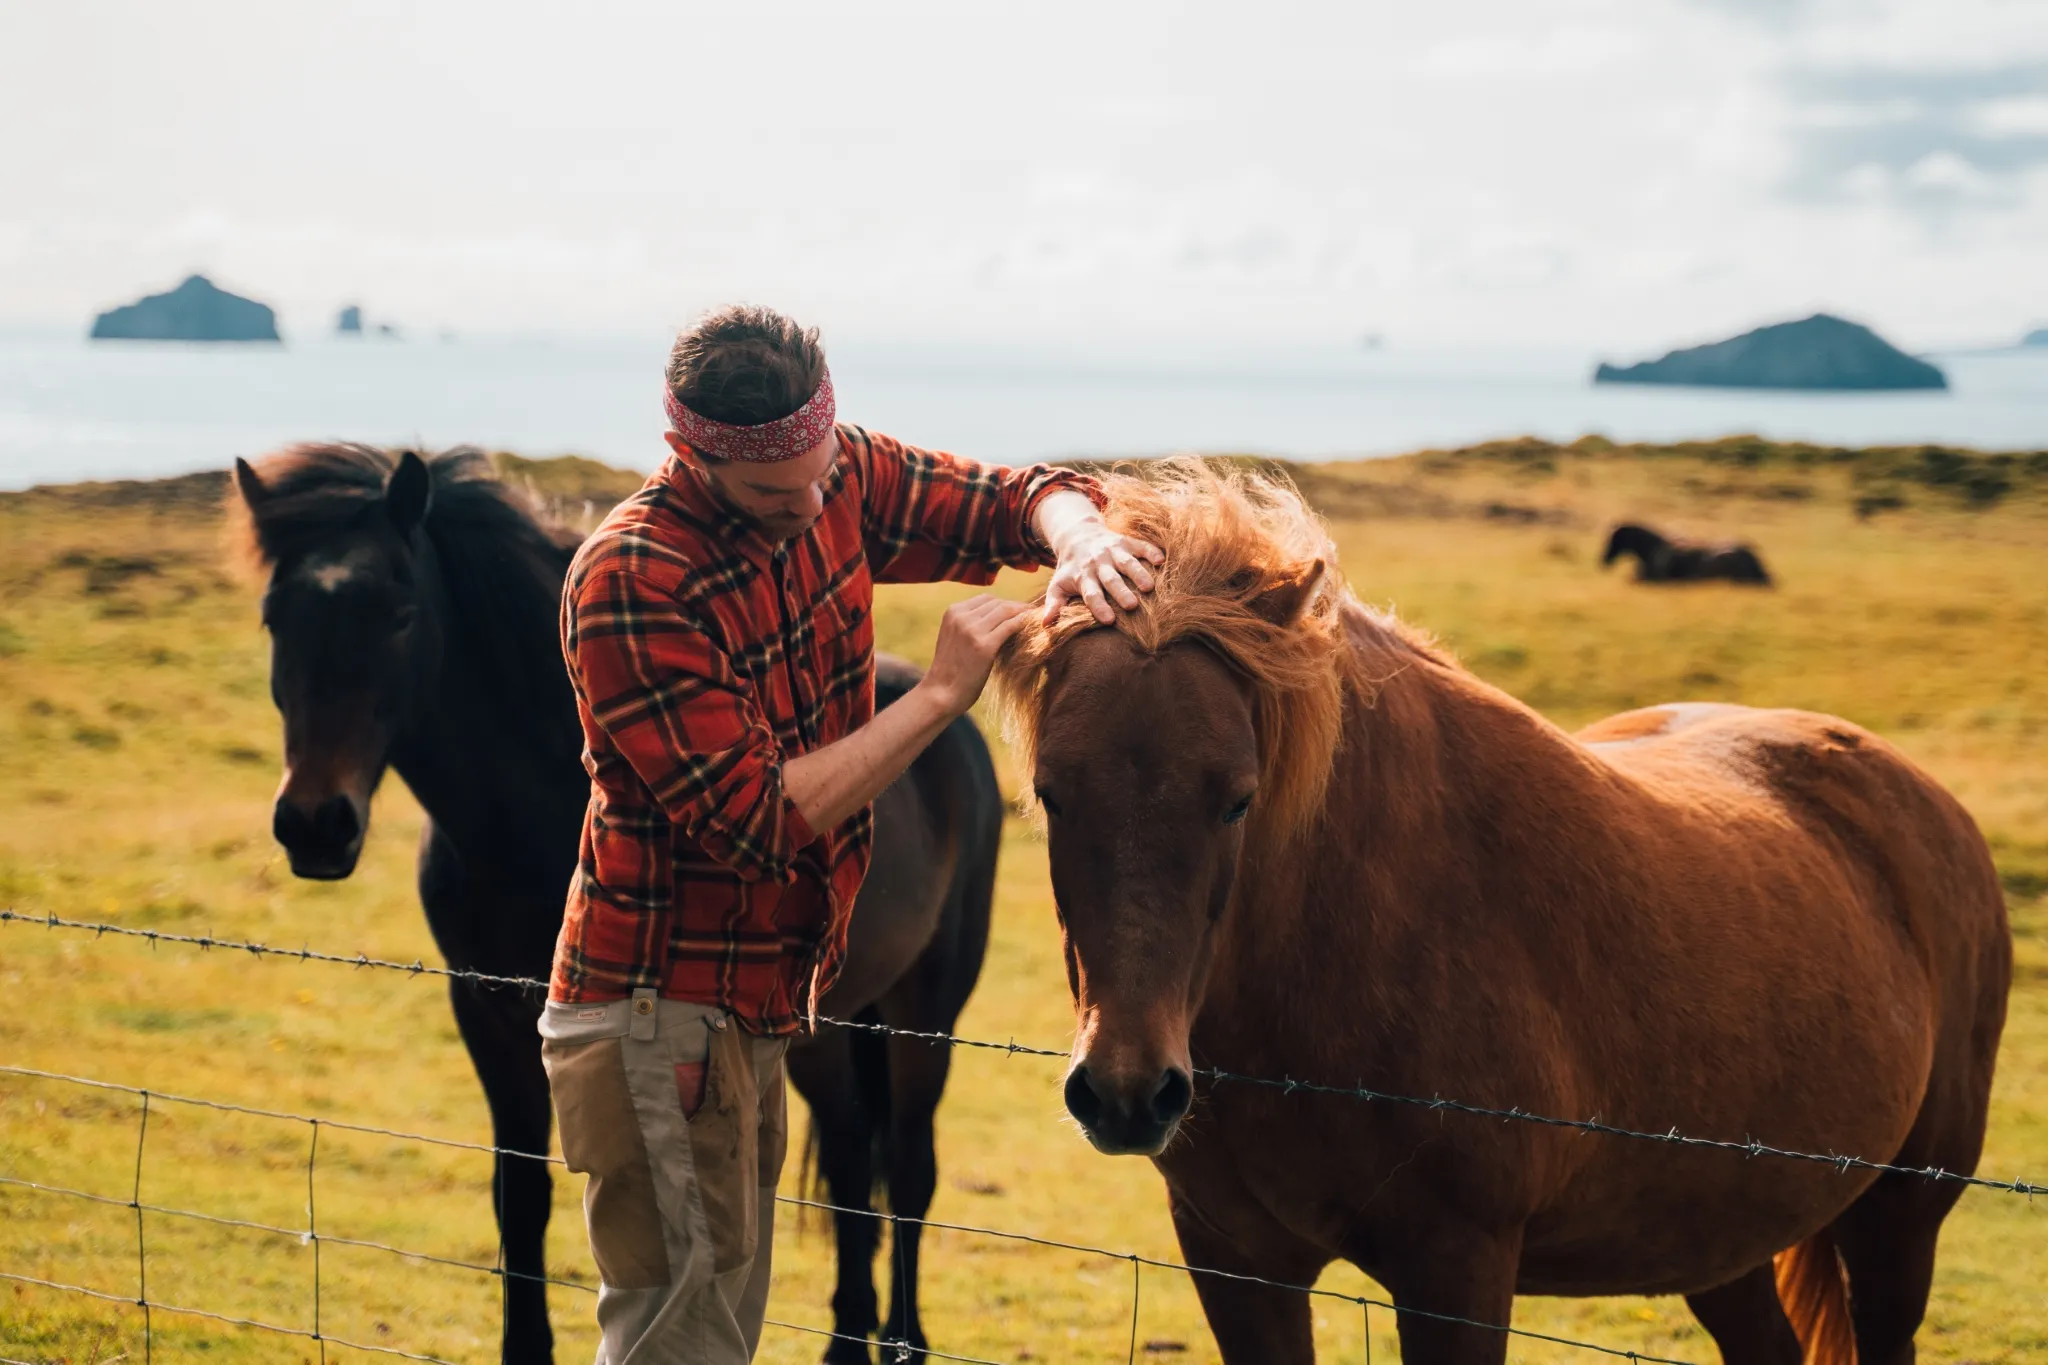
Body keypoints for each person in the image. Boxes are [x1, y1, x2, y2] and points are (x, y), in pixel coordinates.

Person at [538, 304, 1162, 1364]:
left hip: (754, 1008)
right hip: (659, 1017)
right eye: (771, 495)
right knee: (677, 1343)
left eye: (820, 474)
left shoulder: (833, 478)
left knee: (713, 1332)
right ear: (689, 452)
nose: (808, 507)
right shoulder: (632, 582)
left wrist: (1084, 538)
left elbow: (1016, 498)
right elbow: (757, 820)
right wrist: (938, 696)